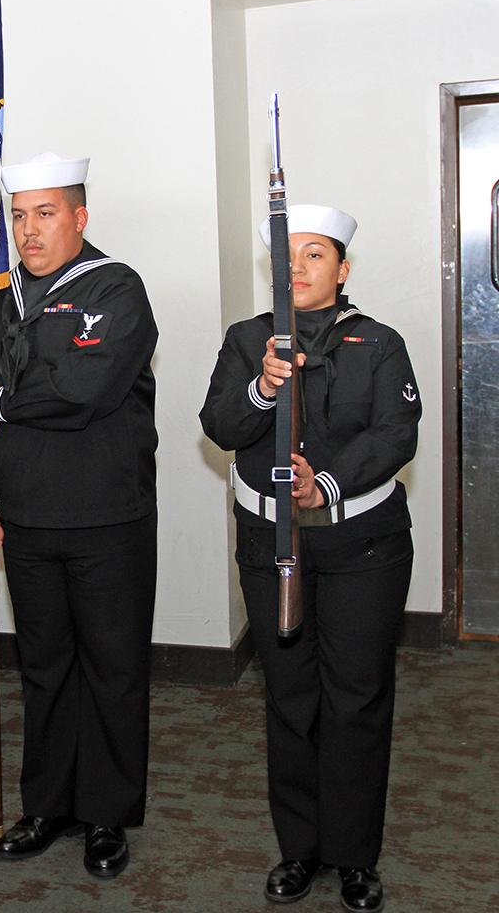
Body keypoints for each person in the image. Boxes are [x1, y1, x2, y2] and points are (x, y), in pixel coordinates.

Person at [199, 205, 420, 913]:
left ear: (342, 268)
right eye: (286, 254)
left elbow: (396, 433)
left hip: (363, 546)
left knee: (355, 697)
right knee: (290, 696)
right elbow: (219, 425)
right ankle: (299, 849)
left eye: (314, 254)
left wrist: (326, 481)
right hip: (271, 549)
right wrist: (262, 388)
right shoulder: (248, 340)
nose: (296, 267)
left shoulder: (379, 342)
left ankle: (354, 856)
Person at [0, 152, 158, 879]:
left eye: (45, 214)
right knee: (44, 668)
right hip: (28, 514)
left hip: (107, 514)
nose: (29, 230)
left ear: (79, 217)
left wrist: (1, 402)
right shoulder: (5, 298)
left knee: (112, 668)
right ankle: (49, 805)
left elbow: (83, 389)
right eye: (19, 216)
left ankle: (107, 814)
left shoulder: (116, 288)